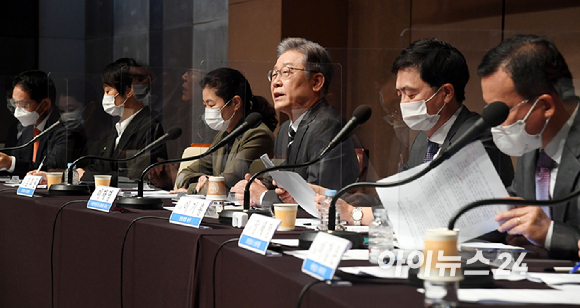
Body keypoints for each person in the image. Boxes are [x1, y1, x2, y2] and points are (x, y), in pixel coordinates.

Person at [312, 38, 515, 227]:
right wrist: (337, 197)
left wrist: (355, 214)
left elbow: (435, 213)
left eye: (411, 94)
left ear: (446, 93)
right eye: (400, 94)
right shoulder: (422, 140)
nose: (403, 104)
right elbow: (399, 199)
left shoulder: (476, 137)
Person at [478, 34, 580, 260]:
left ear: (544, 106)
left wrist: (550, 234)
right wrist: (519, 227)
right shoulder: (533, 140)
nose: (494, 123)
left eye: (501, 112)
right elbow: (526, 214)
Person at [230, 37, 360, 208]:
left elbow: (322, 199)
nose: (276, 82)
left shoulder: (329, 126)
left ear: (316, 82)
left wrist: (264, 197)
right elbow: (282, 181)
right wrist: (256, 185)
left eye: (286, 72)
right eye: (274, 74)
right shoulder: (285, 130)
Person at [149, 67, 277, 193]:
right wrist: (201, 178)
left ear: (236, 103)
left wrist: (191, 189)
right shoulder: (223, 135)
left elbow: (227, 183)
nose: (208, 111)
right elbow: (184, 174)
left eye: (211, 105)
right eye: (205, 105)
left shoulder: (257, 135)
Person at [77, 58, 168, 183]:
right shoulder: (118, 126)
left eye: (108, 91)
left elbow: (136, 174)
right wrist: (79, 172)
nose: (105, 97)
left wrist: (87, 176)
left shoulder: (149, 125)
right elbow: (103, 166)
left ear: (128, 91)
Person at [0, 70, 85, 177]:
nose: (18, 111)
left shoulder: (65, 129)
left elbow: (51, 169)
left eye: (24, 105)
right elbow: (18, 161)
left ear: (45, 104)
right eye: (15, 104)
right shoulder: (28, 130)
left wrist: (11, 163)